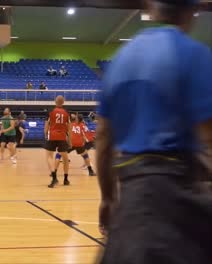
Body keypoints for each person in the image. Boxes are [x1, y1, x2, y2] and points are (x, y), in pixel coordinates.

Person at [96, 0, 212, 263]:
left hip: (131, 199)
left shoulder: (120, 59)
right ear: (192, 11)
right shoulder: (194, 54)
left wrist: (107, 198)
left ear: (150, 9)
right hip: (177, 199)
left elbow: (103, 139)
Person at [44, 96, 71, 187]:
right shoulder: (66, 113)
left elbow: (47, 124)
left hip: (52, 136)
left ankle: (54, 177)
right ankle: (66, 179)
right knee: (65, 158)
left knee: (49, 157)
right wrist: (70, 140)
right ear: (63, 102)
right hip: (62, 136)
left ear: (55, 102)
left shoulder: (51, 112)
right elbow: (69, 127)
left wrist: (45, 133)